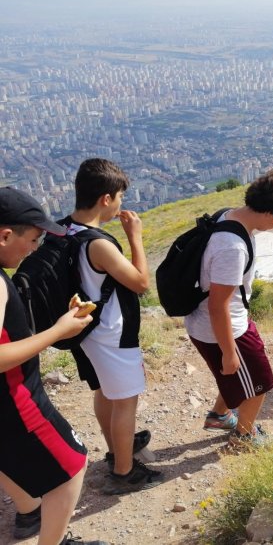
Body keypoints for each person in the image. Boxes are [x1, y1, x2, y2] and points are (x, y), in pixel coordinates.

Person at [0, 187, 108, 545]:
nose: (33, 249)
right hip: (17, 399)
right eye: (32, 239)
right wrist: (57, 331)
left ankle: (30, 511)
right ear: (5, 235)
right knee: (73, 465)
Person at [185, 169, 273, 450]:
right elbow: (218, 306)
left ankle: (219, 415)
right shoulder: (232, 247)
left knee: (236, 378)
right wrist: (228, 352)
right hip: (223, 328)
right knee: (261, 382)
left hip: (217, 322)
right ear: (269, 213)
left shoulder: (229, 216)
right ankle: (244, 437)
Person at [64, 159, 161, 495]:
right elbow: (141, 283)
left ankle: (114, 449)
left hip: (84, 332)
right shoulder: (99, 243)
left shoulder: (63, 229)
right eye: (119, 196)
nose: (120, 203)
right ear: (106, 199)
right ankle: (124, 471)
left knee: (104, 392)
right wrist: (135, 237)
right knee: (126, 401)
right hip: (112, 334)